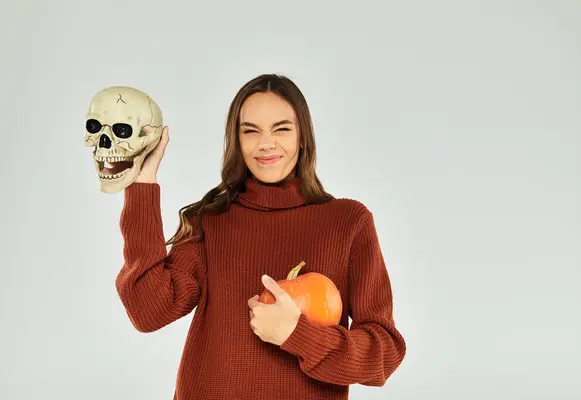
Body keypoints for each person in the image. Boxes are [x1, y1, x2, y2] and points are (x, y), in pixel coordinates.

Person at [115, 73, 406, 399]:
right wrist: (140, 184)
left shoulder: (348, 222)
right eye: (250, 131)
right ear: (236, 141)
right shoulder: (209, 221)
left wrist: (297, 334)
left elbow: (383, 355)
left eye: (281, 128)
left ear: (303, 138)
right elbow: (147, 311)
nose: (266, 143)